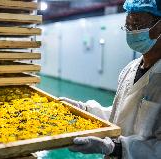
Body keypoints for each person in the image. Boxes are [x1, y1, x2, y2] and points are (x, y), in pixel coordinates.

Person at [59, 0, 161, 158]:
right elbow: (119, 115)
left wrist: (117, 148)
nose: (131, 31)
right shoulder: (130, 69)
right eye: (128, 26)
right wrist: (83, 110)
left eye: (137, 24)